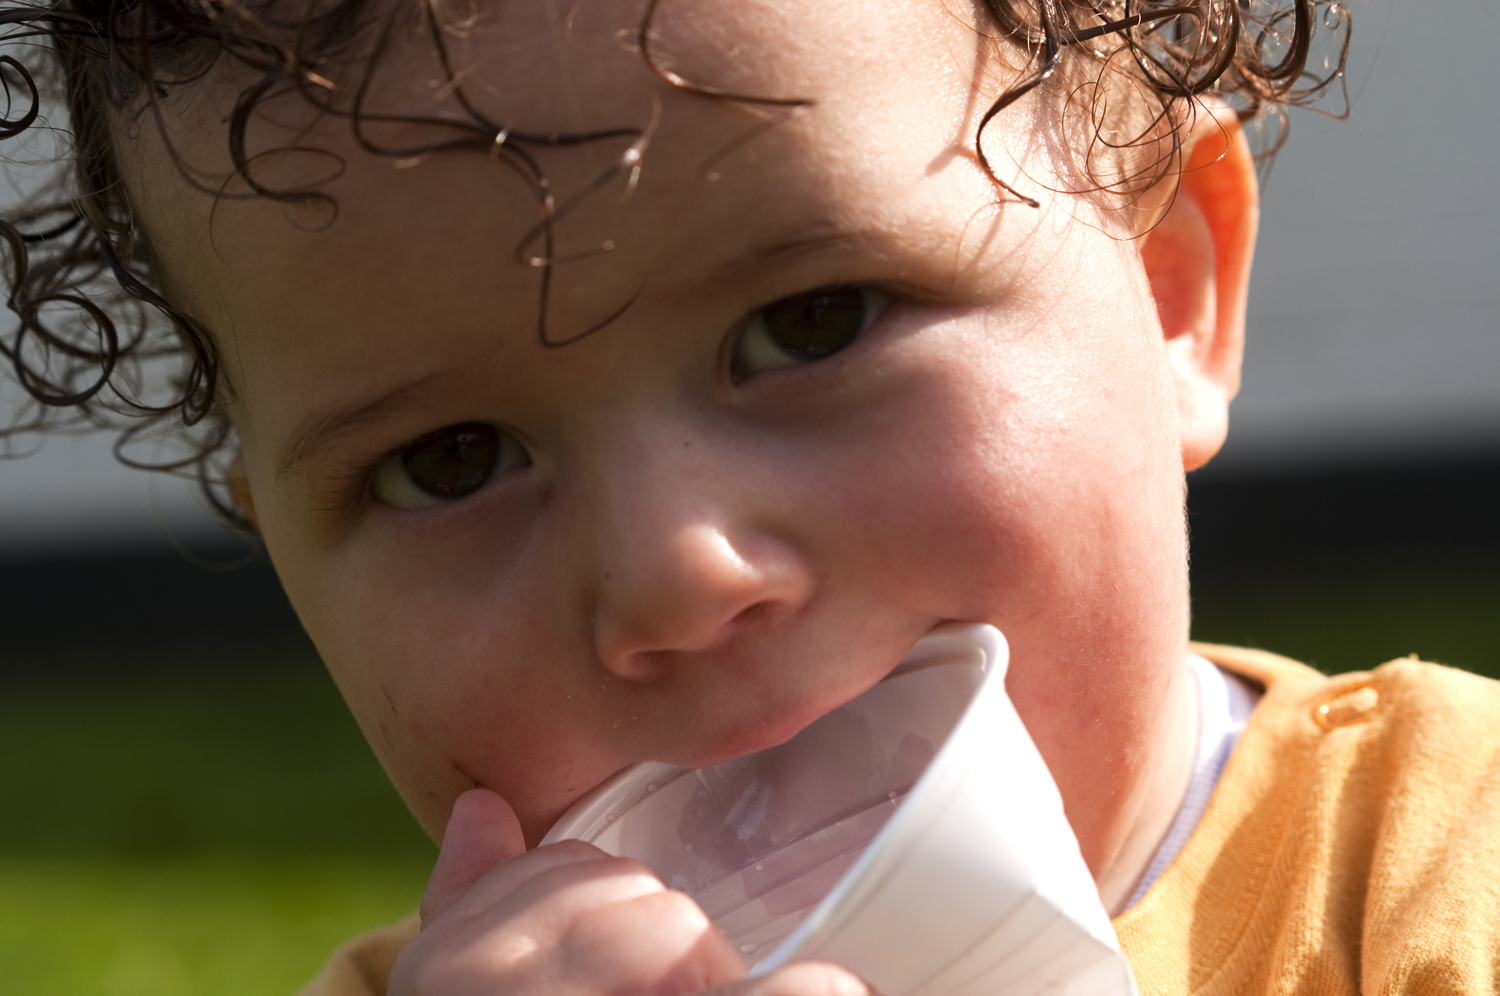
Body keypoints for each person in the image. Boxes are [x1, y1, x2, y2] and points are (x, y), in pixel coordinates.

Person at [3, 0, 1498, 993]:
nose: (674, 570)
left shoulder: (1440, 874)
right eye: (449, 462)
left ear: (1168, 292)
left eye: (814, 323)